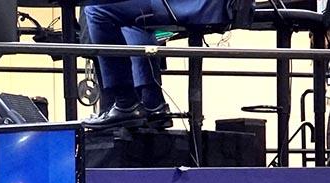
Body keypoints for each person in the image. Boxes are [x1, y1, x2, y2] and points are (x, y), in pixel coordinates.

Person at [82, 0, 233, 129]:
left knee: (96, 10)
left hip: (195, 5)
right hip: (210, 5)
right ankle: (150, 103)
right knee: (120, 10)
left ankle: (126, 103)